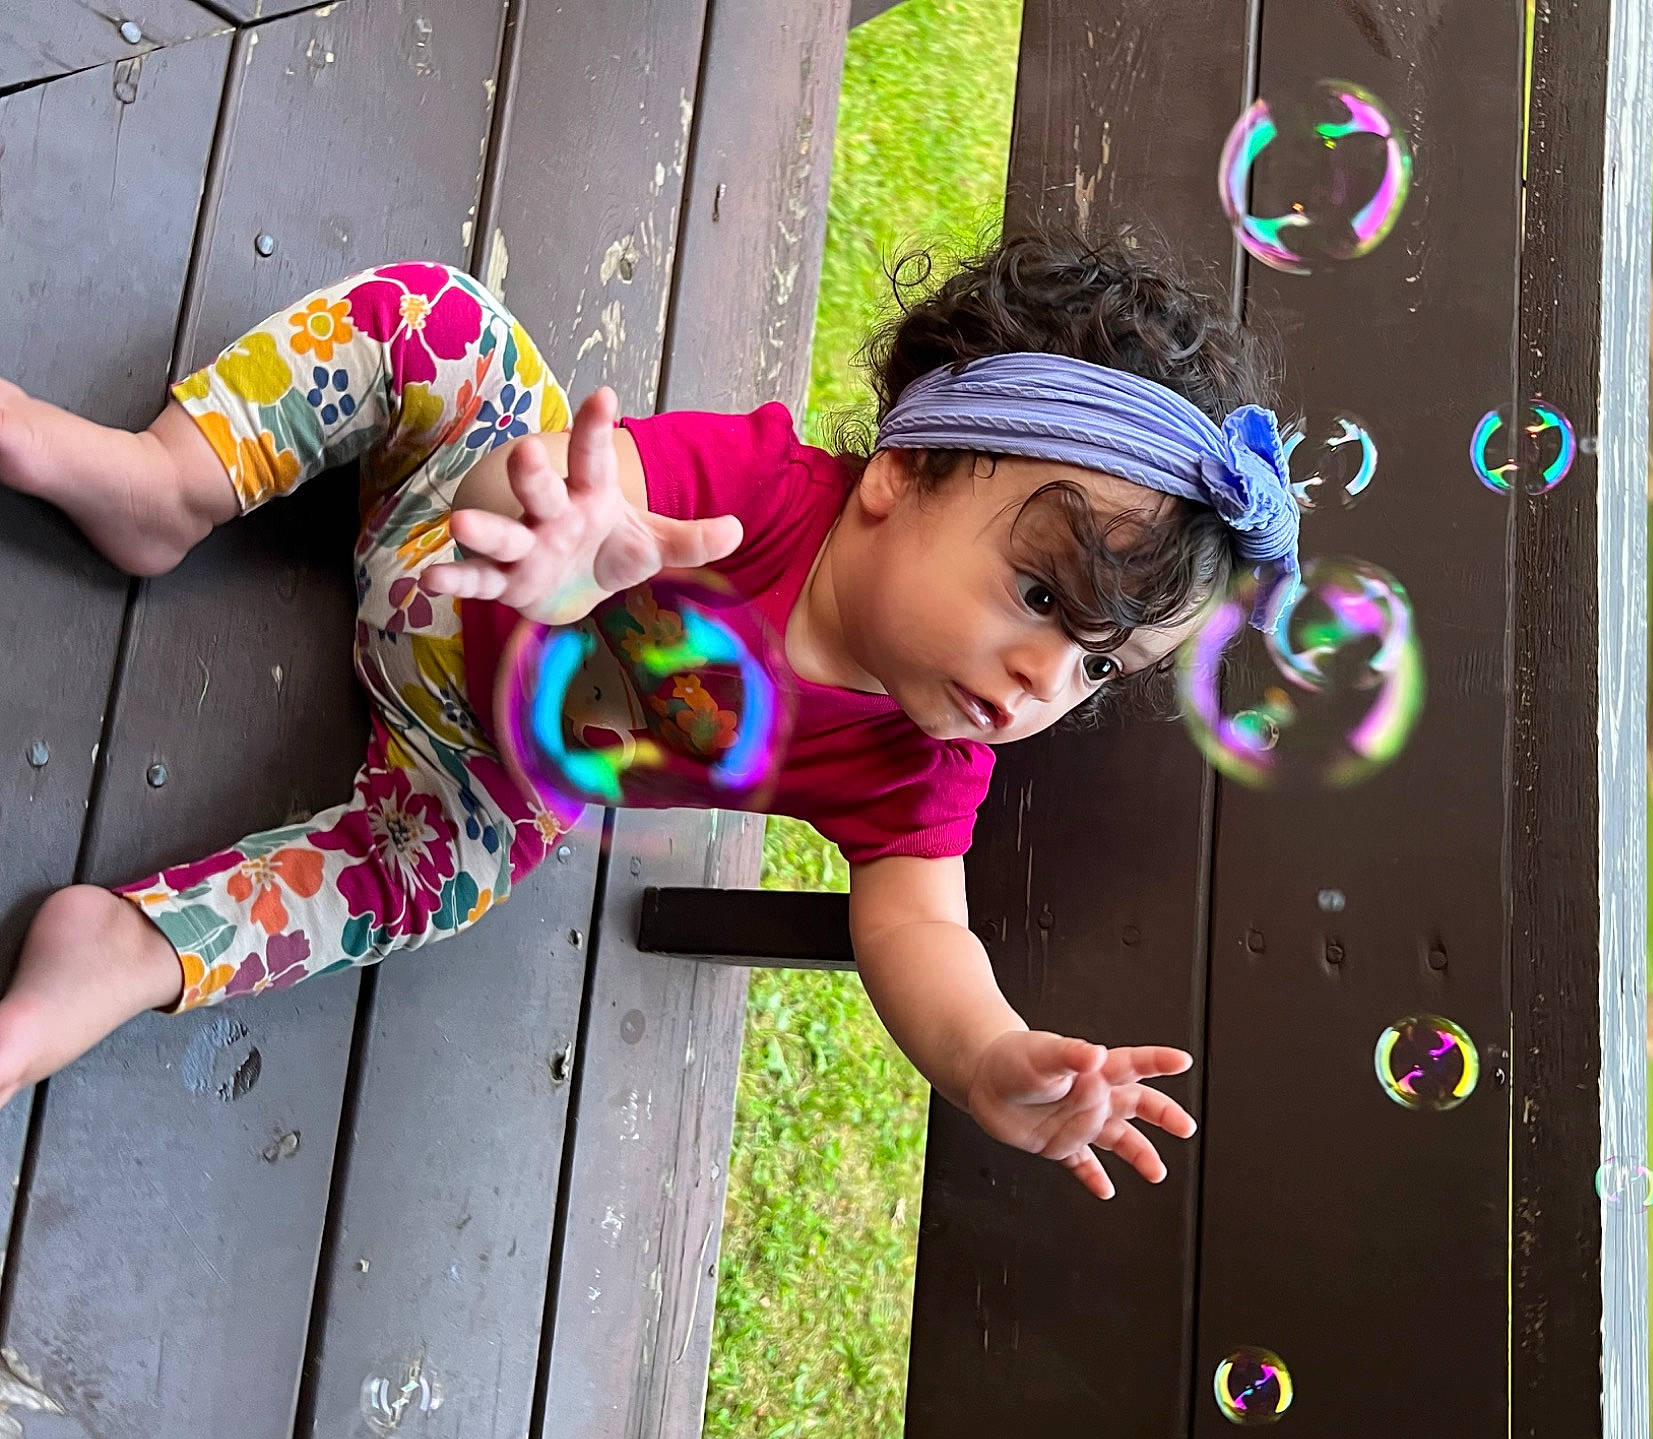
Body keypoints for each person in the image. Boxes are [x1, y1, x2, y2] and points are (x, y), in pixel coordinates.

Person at [0, 225, 1298, 1199]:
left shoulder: (919, 766)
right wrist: (574, 546)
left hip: (483, 771)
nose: (1042, 680)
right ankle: (166, 482)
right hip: (448, 516)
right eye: (1036, 593)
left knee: (420, 886)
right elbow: (589, 495)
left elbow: (917, 927)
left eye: (1097, 667)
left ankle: (131, 952)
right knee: (440, 318)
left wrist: (985, 1056)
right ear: (903, 470)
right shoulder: (765, 493)